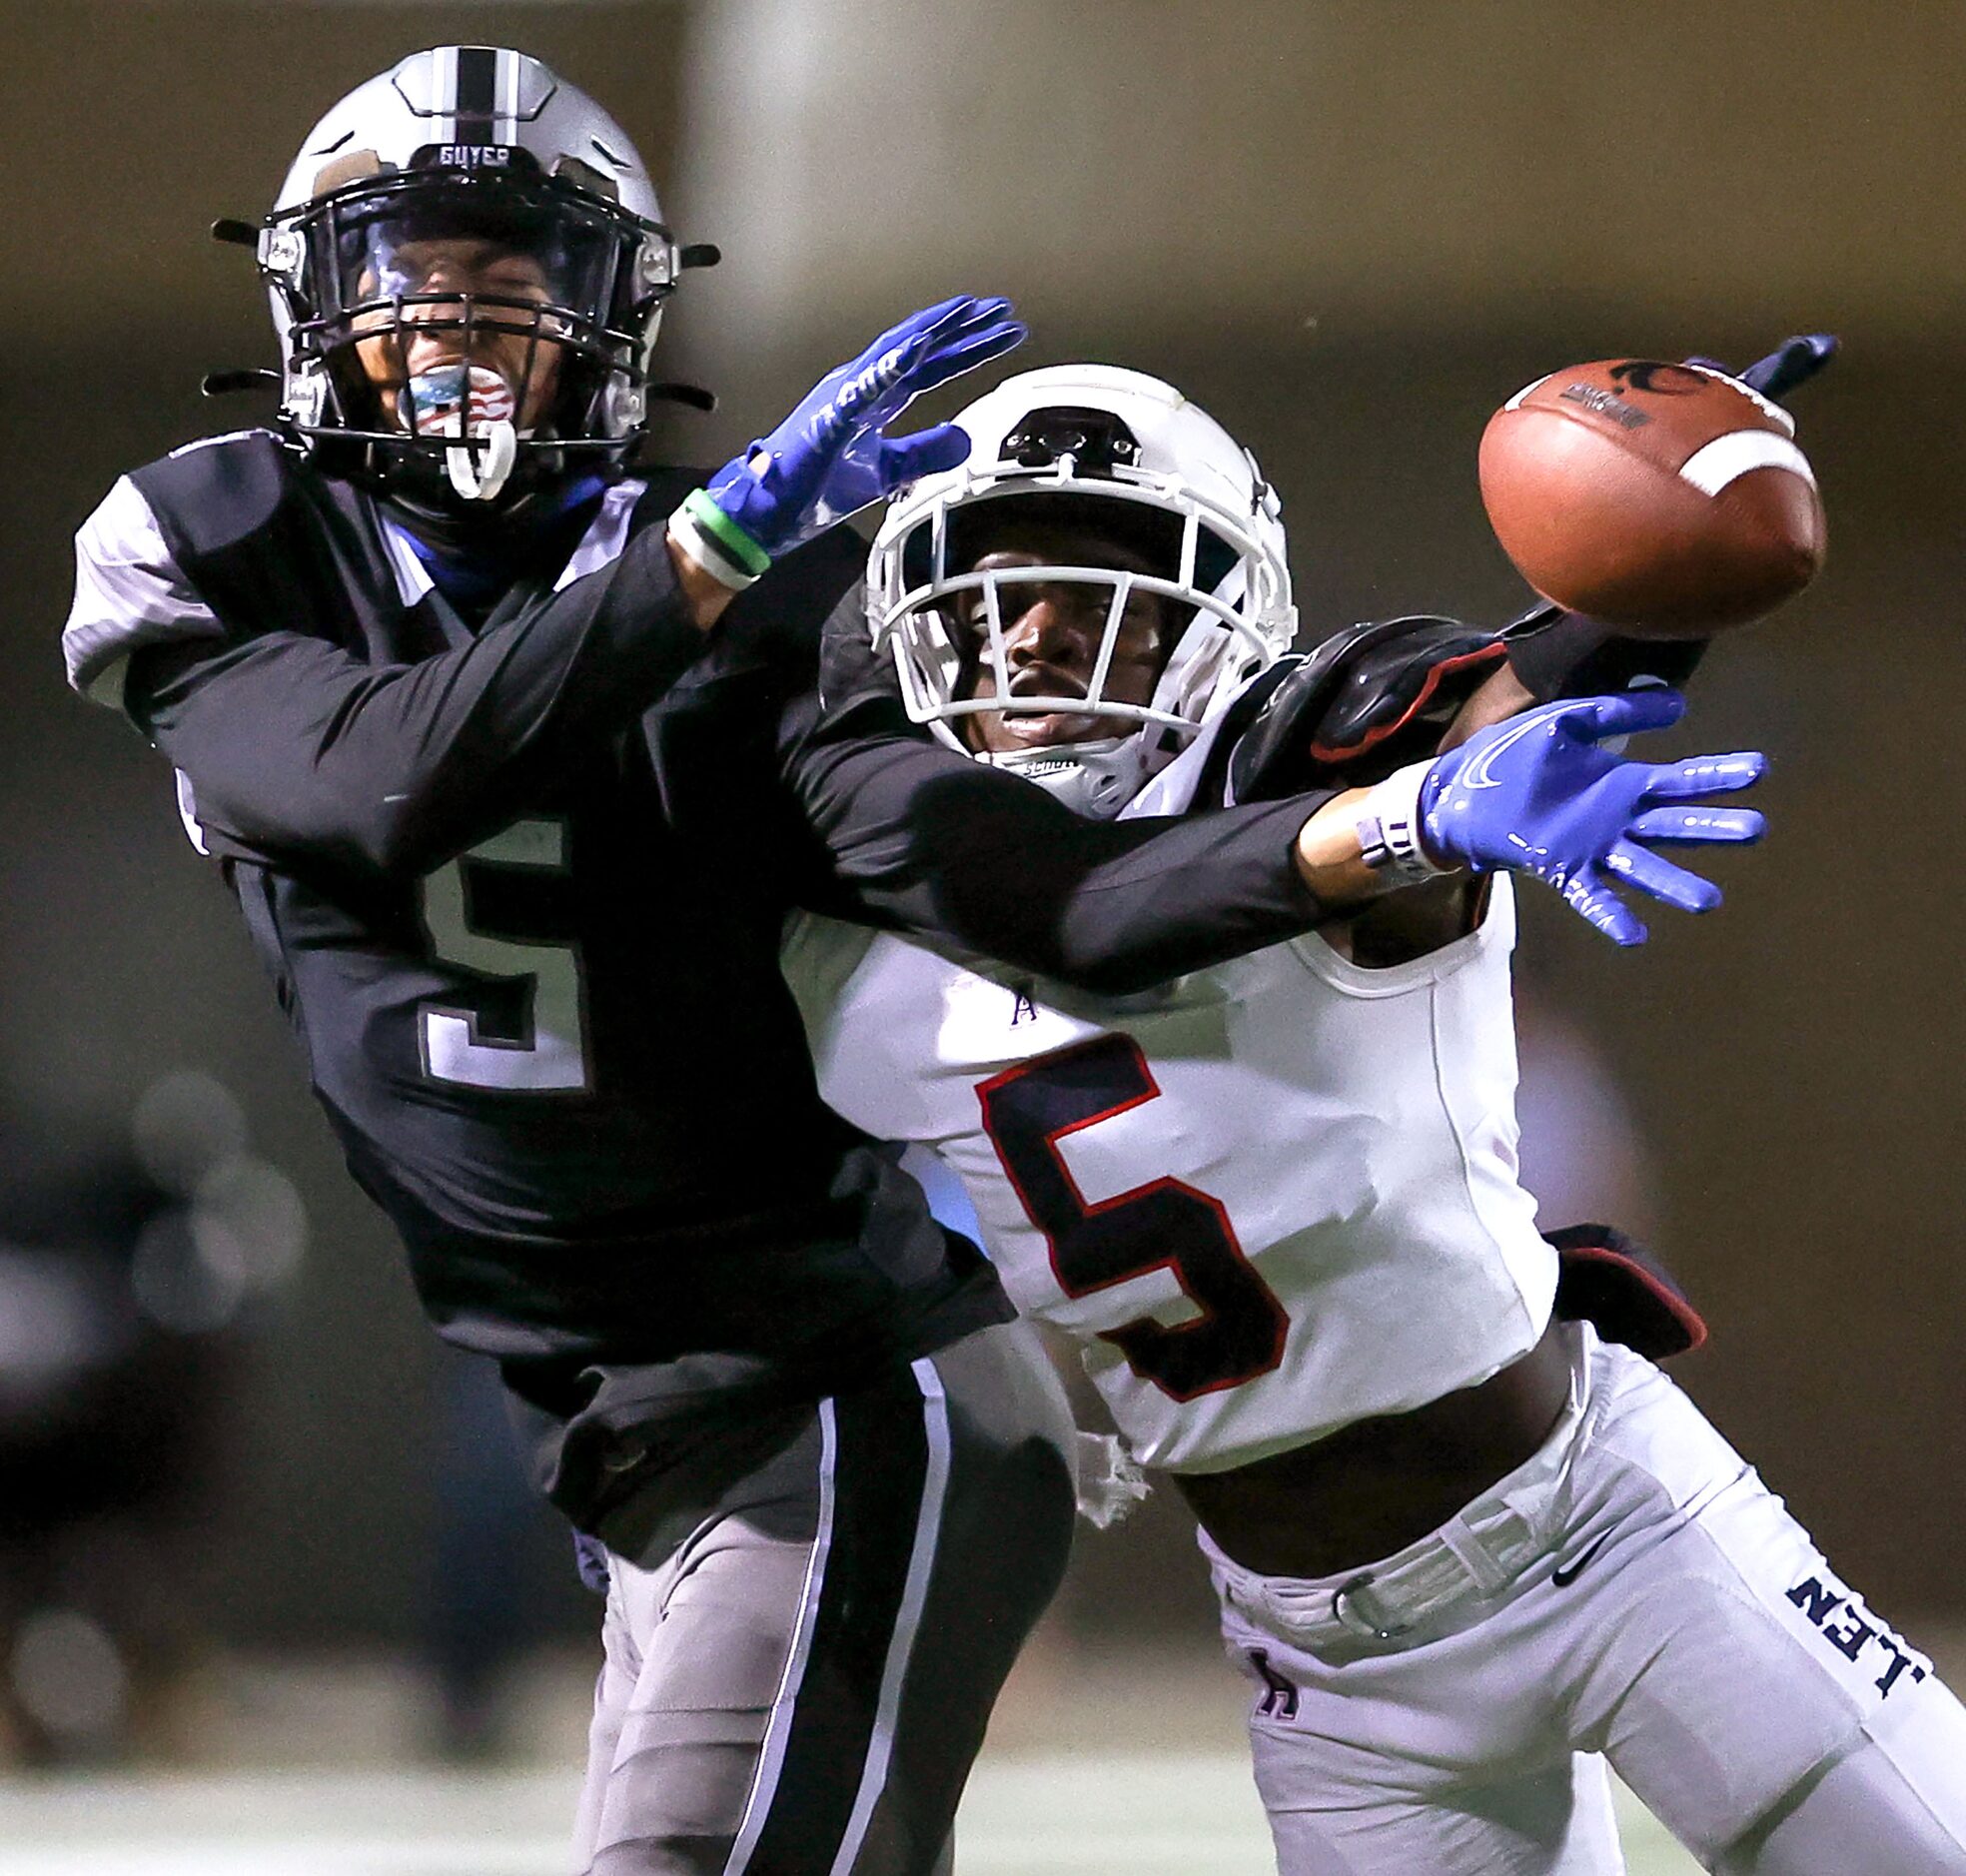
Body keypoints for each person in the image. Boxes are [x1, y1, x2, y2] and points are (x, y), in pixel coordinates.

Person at [59, 48, 1517, 1875]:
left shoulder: (764, 605)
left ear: (611, 322)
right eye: (408, 277)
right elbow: (382, 782)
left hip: (833, 1401)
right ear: (313, 305)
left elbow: (1044, 897)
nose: (456, 335)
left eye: (518, 292)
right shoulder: (221, 540)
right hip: (636, 1436)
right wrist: (702, 558)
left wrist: (1398, 824)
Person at [783, 363, 1966, 1874]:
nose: (1035, 635)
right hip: (1326, 1671)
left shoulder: (1300, 745)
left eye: (1102, 594)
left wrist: (1667, 548)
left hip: (1608, 1532)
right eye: (1000, 591)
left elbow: (1512, 697)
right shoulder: (856, 915)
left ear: (1219, 615)